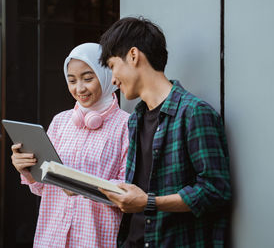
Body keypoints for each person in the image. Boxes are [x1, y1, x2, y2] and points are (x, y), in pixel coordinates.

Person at [99, 17, 232, 248]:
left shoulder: (194, 113)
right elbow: (137, 195)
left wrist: (149, 203)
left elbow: (215, 190)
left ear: (133, 55)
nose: (113, 80)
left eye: (112, 66)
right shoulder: (135, 120)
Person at [11, 43, 129, 247]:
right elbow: (41, 188)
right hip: (51, 237)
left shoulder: (127, 125)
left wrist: (80, 186)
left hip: (95, 240)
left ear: (107, 75)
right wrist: (27, 170)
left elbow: (127, 194)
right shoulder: (60, 122)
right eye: (72, 80)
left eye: (88, 78)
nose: (79, 88)